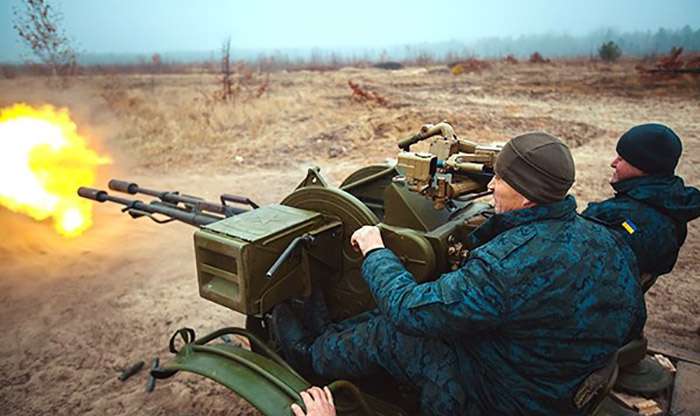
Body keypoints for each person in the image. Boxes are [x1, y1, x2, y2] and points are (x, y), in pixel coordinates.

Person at [273, 132, 646, 415]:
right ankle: (330, 336)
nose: (493, 187)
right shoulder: (606, 238)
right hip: (562, 381)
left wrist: (375, 251)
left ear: (527, 194)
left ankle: (307, 357)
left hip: (503, 398)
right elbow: (632, 320)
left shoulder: (509, 264)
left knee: (396, 332)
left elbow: (408, 308)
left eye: (500, 180)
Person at [582, 123, 700, 287]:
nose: (613, 163)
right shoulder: (673, 205)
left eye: (621, 159)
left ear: (644, 167)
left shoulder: (624, 218)